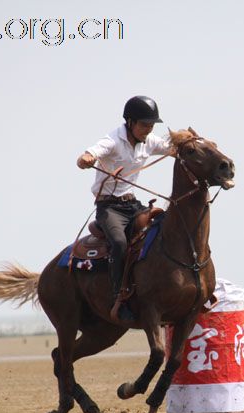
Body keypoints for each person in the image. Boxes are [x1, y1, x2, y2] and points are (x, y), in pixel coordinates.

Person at [77, 95, 174, 321]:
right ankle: (117, 296)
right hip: (108, 208)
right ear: (130, 122)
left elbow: (171, 149)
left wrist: (190, 144)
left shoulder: (149, 141)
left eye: (151, 125)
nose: (148, 129)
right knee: (119, 243)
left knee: (160, 229)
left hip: (132, 204)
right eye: (144, 124)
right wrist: (87, 158)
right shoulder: (112, 140)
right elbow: (86, 156)